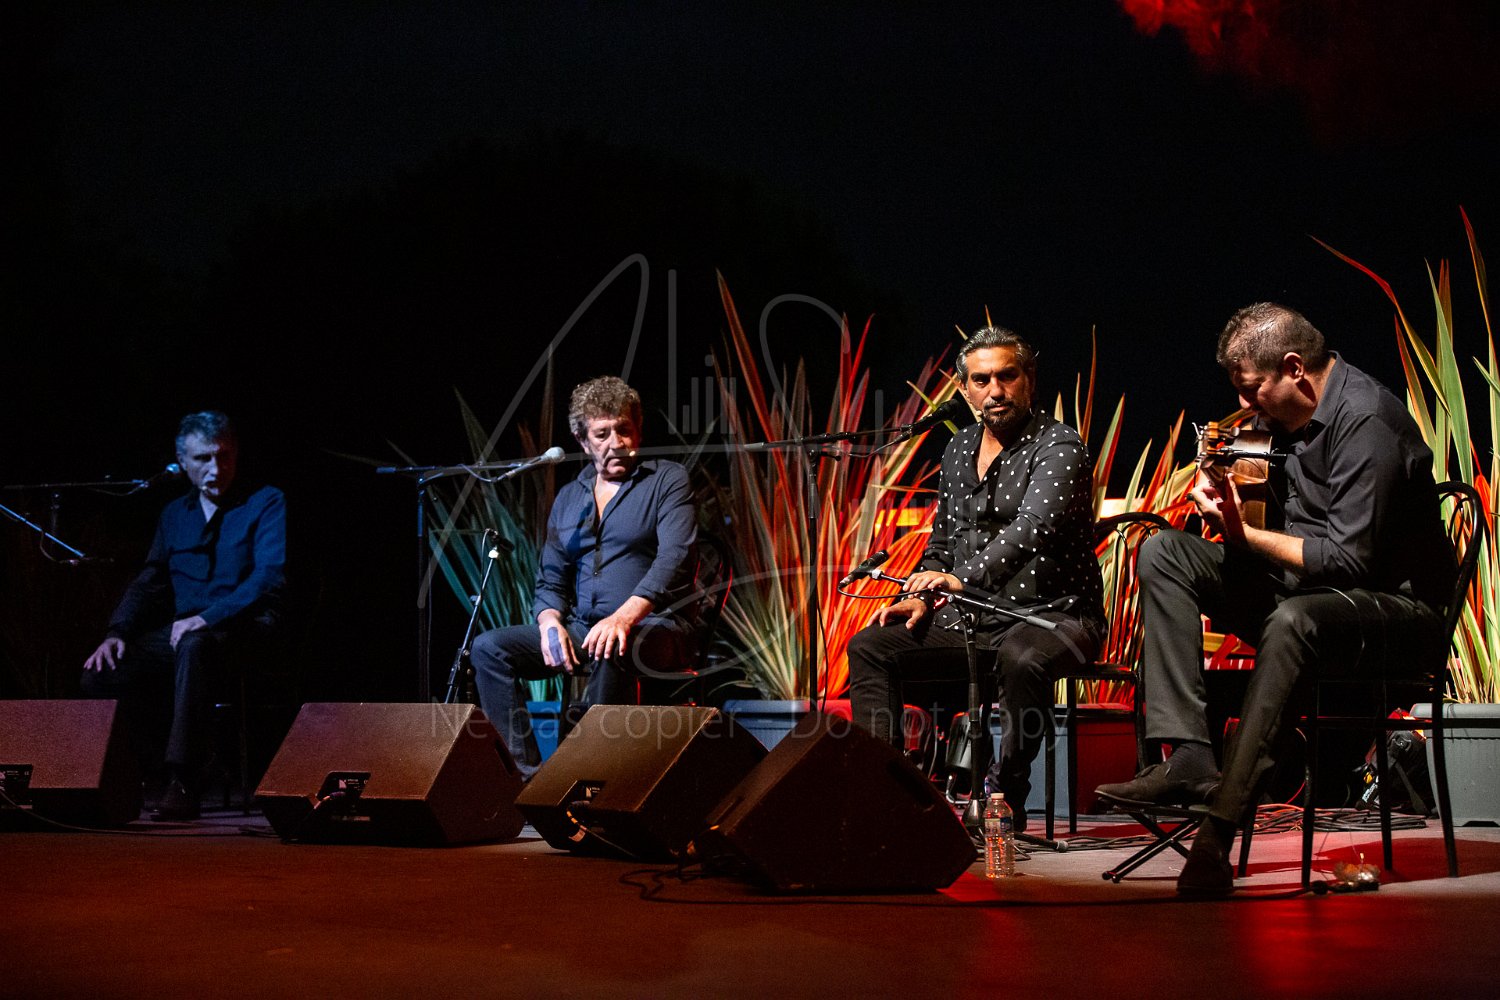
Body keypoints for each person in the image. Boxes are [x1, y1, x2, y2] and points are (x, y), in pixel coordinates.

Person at [1096, 302, 1456, 895]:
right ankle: (1188, 754)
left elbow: (1348, 561)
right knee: (1165, 552)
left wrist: (1244, 534)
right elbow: (1275, 531)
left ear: (1294, 368)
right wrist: (1222, 495)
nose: (1244, 403)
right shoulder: (1277, 425)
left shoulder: (1366, 420)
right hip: (1310, 598)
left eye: (1252, 388)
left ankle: (1217, 835)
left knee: (1293, 621)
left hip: (1393, 614)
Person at [847, 326, 1105, 830]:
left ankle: (1004, 794)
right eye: (982, 380)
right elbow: (943, 540)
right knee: (872, 647)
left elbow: (1033, 530)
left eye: (1007, 376)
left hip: (1056, 617)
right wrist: (922, 594)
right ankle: (887, 797)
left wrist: (958, 580)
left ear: (1030, 380)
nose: (996, 390)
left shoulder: (1059, 445)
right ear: (964, 389)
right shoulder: (959, 448)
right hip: (976, 618)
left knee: (1021, 658)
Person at [469, 376, 698, 778]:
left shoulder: (667, 480)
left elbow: (675, 558)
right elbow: (550, 579)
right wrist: (549, 622)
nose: (616, 442)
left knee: (611, 643)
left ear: (638, 431)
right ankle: (527, 779)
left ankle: (590, 778)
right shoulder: (570, 497)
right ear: (582, 440)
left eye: (624, 430)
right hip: (585, 629)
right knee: (490, 649)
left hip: (657, 628)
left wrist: (623, 617)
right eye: (602, 434)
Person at [82, 411, 287, 821]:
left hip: (242, 628)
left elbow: (267, 577)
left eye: (224, 456)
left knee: (193, 646)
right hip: (187, 633)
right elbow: (150, 579)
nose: (216, 468)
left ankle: (183, 779)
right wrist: (116, 632)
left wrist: (207, 618)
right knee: (102, 673)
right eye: (203, 459)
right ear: (181, 460)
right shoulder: (174, 514)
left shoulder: (265, 501)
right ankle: (133, 775)